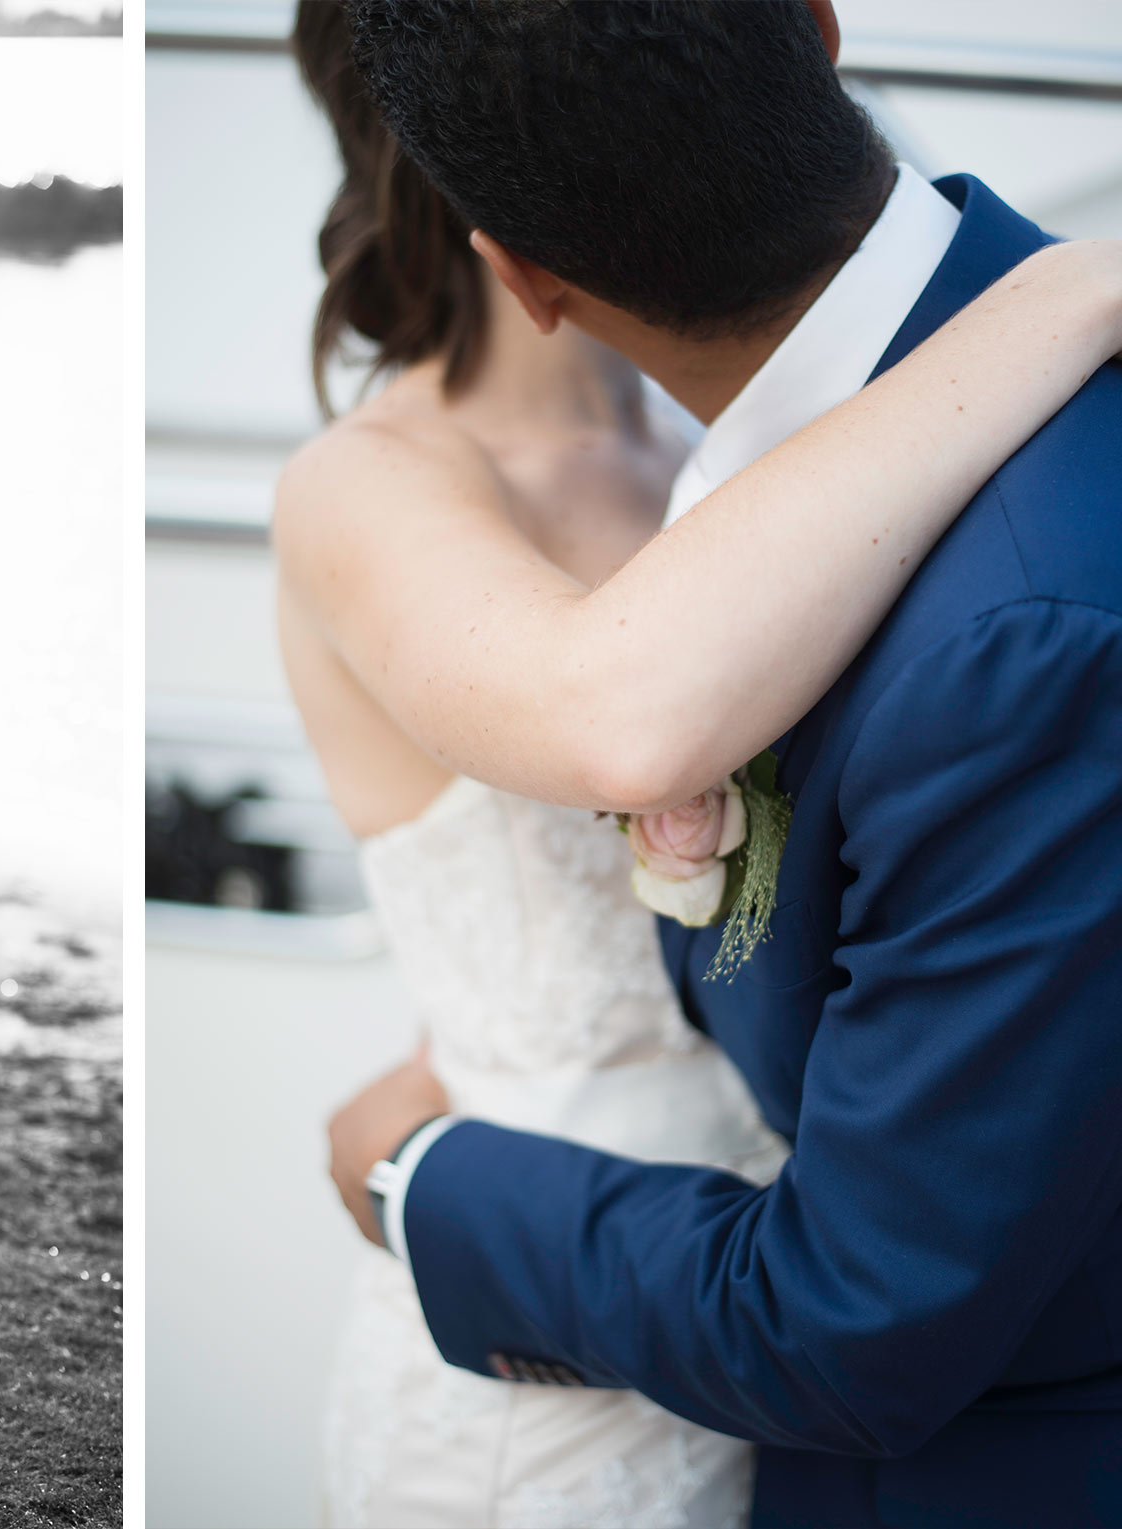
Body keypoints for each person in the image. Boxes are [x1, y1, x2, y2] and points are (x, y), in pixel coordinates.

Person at [310, 2, 1122, 1525]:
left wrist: (418, 1178)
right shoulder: (937, 404)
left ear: (525, 272)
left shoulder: (1030, 635)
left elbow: (857, 1321)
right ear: (819, 28)